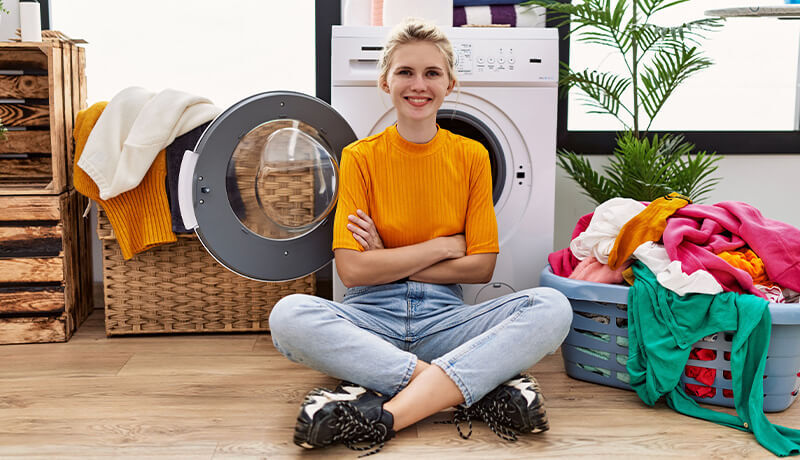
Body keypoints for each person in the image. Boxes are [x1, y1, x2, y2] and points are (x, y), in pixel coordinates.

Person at [269, 18, 572, 455]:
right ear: (385, 82)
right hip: (369, 320)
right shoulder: (360, 157)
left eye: (432, 73)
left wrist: (387, 258)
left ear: (450, 84)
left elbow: (481, 266)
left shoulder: (471, 156)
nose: (418, 85)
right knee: (289, 315)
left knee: (552, 307)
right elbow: (352, 271)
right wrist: (443, 246)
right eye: (405, 72)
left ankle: (387, 414)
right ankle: (473, 391)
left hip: (446, 321)